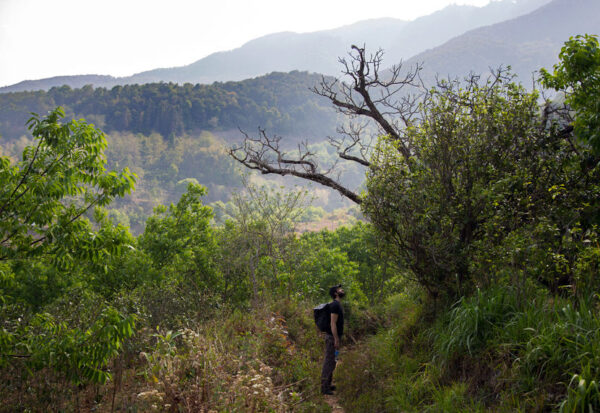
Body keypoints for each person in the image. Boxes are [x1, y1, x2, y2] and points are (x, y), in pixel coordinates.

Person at [321, 284, 345, 395]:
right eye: (339, 289)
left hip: (333, 337)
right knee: (329, 362)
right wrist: (336, 339)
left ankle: (328, 384)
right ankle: (324, 387)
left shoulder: (337, 304)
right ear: (336, 293)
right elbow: (333, 323)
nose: (342, 290)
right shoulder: (335, 305)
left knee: (332, 361)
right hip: (331, 338)